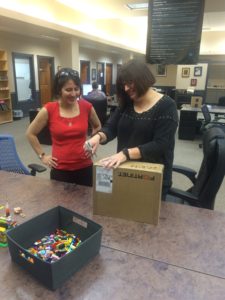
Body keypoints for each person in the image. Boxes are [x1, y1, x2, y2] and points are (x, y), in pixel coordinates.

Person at [84, 59, 178, 199]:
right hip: (124, 171)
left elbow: (161, 145)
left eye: (130, 82)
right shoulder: (127, 104)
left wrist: (125, 154)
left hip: (151, 177)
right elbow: (111, 127)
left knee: (145, 219)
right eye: (124, 85)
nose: (126, 88)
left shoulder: (167, 106)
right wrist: (98, 137)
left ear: (142, 79)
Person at [26, 67, 101, 186]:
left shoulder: (86, 107)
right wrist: (43, 156)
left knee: (85, 203)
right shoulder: (49, 109)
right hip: (60, 170)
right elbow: (30, 133)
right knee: (61, 204)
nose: (73, 94)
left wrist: (92, 142)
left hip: (85, 167)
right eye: (68, 90)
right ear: (59, 90)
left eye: (76, 89)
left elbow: (97, 126)